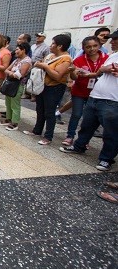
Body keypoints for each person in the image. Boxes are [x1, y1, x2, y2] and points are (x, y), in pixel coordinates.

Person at [60, 28, 118, 171]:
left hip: (112, 100)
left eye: (115, 39)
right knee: (87, 125)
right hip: (95, 96)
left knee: (111, 132)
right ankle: (79, 146)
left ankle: (106, 158)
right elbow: (99, 72)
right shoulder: (113, 56)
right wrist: (92, 72)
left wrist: (103, 69)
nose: (111, 42)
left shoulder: (106, 56)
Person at [23, 34, 72, 145]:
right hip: (42, 86)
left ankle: (48, 136)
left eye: (53, 43)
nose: (51, 45)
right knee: (40, 109)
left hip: (55, 88)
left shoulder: (66, 59)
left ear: (60, 46)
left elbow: (57, 76)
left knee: (49, 112)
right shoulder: (50, 56)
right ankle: (37, 130)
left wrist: (44, 66)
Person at [61, 36, 108, 146]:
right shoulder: (79, 60)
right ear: (84, 48)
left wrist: (91, 74)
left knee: (89, 118)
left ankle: (84, 140)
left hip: (97, 93)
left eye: (95, 46)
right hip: (79, 91)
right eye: (88, 47)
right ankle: (70, 136)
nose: (92, 49)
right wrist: (72, 71)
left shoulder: (106, 58)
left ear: (99, 46)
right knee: (76, 114)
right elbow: (74, 77)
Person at [0, 42, 32, 131]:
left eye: (18, 49)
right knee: (8, 102)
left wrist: (11, 73)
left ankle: (15, 122)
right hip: (10, 83)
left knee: (15, 104)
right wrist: (11, 73)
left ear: (23, 50)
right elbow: (6, 69)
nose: (16, 51)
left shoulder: (27, 61)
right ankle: (9, 118)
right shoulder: (16, 60)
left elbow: (20, 75)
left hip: (18, 85)